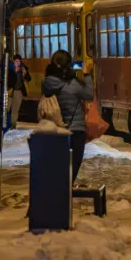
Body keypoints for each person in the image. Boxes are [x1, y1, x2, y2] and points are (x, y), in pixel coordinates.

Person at [41, 50, 94, 184]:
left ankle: (57, 192)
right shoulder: (73, 84)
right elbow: (89, 95)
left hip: (54, 131)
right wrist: (86, 74)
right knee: (72, 169)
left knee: (57, 168)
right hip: (75, 130)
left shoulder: (47, 83)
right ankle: (66, 192)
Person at [7, 54, 31, 131]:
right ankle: (5, 124)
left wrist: (24, 74)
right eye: (16, 61)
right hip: (10, 90)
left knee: (15, 109)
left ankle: (13, 124)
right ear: (13, 61)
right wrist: (14, 71)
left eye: (19, 61)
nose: (18, 63)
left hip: (18, 91)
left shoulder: (22, 68)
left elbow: (29, 78)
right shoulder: (9, 68)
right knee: (7, 107)